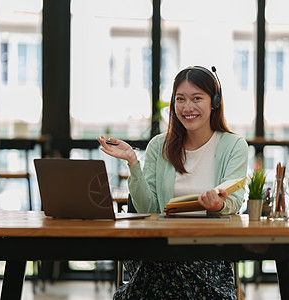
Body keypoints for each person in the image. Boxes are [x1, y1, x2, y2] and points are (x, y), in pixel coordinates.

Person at [97, 66, 248, 299]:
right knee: (159, 262)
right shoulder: (159, 145)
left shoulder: (233, 145)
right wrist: (133, 164)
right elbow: (148, 209)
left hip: (208, 252)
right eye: (180, 99)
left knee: (157, 271)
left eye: (196, 98)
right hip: (160, 246)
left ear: (214, 102)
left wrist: (217, 205)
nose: (187, 107)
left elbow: (235, 199)